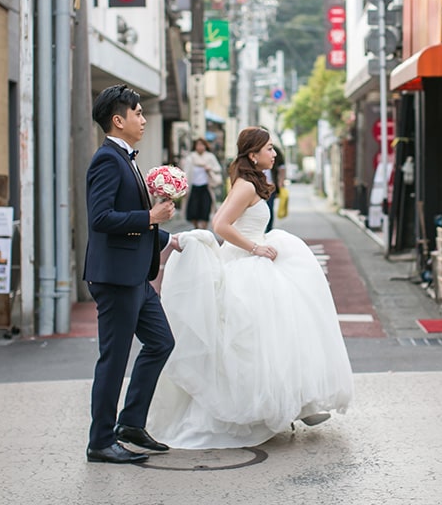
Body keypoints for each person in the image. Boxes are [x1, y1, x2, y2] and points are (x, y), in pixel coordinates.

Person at [148, 126, 353, 449]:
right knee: (253, 340)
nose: (274, 153)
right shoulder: (244, 185)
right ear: (253, 154)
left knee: (279, 336)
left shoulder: (252, 182)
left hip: (258, 260)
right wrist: (254, 248)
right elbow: (220, 224)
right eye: (269, 148)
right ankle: (265, 406)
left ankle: (299, 403)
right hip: (246, 264)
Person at [82, 84, 181, 466]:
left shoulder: (127, 158)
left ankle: (131, 424)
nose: (142, 119)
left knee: (161, 342)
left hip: (136, 275)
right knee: (114, 358)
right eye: (137, 113)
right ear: (118, 120)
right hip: (116, 279)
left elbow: (135, 222)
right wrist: (151, 217)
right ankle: (100, 441)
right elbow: (101, 219)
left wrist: (169, 238)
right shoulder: (107, 159)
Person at [181, 137, 222, 229]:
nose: (200, 147)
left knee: (206, 209)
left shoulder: (210, 157)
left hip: (206, 187)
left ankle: (203, 229)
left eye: (202, 144)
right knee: (193, 211)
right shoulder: (191, 158)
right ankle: (196, 228)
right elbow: (186, 173)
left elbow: (218, 168)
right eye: (198, 145)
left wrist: (209, 168)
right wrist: (185, 187)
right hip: (194, 188)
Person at [265, 143, 286, 232]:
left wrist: (280, 183)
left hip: (270, 186)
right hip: (257, 186)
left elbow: (282, 168)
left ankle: (268, 230)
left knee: (269, 209)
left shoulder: (276, 151)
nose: (273, 154)